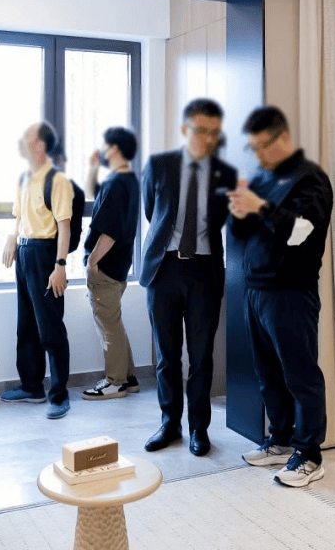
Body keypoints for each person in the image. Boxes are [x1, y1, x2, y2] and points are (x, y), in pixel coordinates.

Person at [227, 105, 333, 489]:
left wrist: (262, 207)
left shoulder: (310, 179)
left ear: (283, 137)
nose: (257, 154)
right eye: (252, 147)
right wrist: (240, 212)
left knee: (300, 376)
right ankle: (281, 440)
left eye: (262, 146)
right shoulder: (262, 178)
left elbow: (301, 232)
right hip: (256, 289)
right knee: (268, 374)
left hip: (291, 292)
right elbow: (244, 235)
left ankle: (310, 456)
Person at [140, 99, 237, 456]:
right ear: (185, 129)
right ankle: (170, 424)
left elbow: (224, 220)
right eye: (200, 130)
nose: (207, 138)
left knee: (201, 358)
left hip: (203, 272)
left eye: (214, 132)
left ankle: (199, 429)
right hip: (164, 270)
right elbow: (152, 211)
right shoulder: (159, 165)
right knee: (166, 357)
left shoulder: (224, 174)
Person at [1, 122, 73, 419]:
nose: (21, 141)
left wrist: (60, 266)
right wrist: (12, 238)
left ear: (39, 146)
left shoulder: (57, 181)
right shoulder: (24, 178)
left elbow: (64, 227)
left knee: (50, 327)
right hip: (25, 252)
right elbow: (18, 216)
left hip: (46, 254)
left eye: (26, 137)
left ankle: (59, 394)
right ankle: (32, 386)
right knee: (26, 324)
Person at [81, 127, 141, 400]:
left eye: (106, 146)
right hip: (119, 266)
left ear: (114, 149)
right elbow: (92, 192)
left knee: (108, 327)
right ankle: (129, 378)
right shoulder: (126, 180)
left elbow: (111, 231)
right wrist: (93, 167)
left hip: (106, 267)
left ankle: (116, 382)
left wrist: (93, 262)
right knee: (114, 324)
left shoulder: (117, 184)